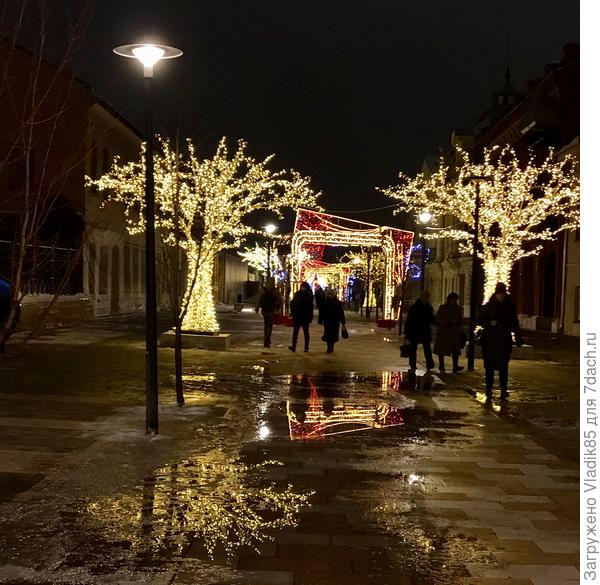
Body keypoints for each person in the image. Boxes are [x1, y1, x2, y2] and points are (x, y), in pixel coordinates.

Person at [478, 282, 523, 400]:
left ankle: (503, 390)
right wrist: (489, 323)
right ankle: (489, 389)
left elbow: (515, 323)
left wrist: (518, 338)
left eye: (503, 294)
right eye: (499, 294)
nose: (501, 296)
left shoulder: (509, 307)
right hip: (490, 341)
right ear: (496, 294)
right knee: (489, 368)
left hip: (503, 341)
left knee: (503, 367)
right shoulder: (488, 306)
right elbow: (479, 320)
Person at [404, 290, 436, 371]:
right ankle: (414, 364)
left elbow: (431, 319)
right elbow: (409, 320)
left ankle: (428, 364)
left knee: (425, 348)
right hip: (416, 330)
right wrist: (407, 333)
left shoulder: (426, 307)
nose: (427, 298)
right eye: (426, 296)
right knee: (416, 348)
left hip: (421, 330)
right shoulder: (417, 307)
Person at [433, 292, 464, 373]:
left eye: (456, 300)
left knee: (455, 350)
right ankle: (441, 365)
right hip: (444, 332)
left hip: (454, 332)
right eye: (454, 300)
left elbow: (460, 319)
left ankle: (455, 366)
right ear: (450, 299)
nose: (455, 301)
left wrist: (459, 324)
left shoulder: (457, 308)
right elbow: (438, 318)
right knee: (442, 350)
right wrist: (447, 321)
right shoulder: (443, 308)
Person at [318, 287, 346, 353]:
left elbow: (322, 312)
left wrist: (320, 320)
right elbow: (341, 312)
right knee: (331, 334)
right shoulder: (336, 302)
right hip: (332, 321)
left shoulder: (326, 302)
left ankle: (330, 347)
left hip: (330, 321)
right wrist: (342, 321)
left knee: (330, 334)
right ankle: (330, 347)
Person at [289, 281, 314, 352]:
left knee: (304, 332)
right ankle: (294, 346)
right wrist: (292, 312)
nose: (303, 288)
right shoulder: (301, 294)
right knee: (297, 332)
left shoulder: (307, 295)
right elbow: (292, 303)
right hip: (299, 315)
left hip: (303, 316)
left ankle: (305, 347)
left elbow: (310, 307)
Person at [257, 280, 281, 348]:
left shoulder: (263, 290)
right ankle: (267, 340)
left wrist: (257, 307)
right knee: (269, 326)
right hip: (272, 310)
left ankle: (266, 338)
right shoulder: (275, 291)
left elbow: (259, 299)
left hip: (264, 310)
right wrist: (278, 308)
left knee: (266, 324)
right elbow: (279, 300)